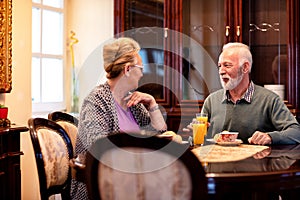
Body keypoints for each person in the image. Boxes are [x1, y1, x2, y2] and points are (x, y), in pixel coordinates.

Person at [70, 37, 167, 199]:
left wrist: (152, 104)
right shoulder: (96, 101)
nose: (142, 74)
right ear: (128, 69)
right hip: (100, 188)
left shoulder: (133, 101)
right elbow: (100, 149)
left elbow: (158, 134)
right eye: (141, 69)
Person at [200, 42, 300, 145]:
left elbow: (296, 132)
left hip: (256, 160)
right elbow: (201, 139)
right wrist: (194, 135)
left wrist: (270, 137)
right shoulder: (211, 101)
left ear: (245, 67)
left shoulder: (270, 100)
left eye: (227, 65)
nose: (221, 71)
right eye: (220, 66)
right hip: (218, 160)